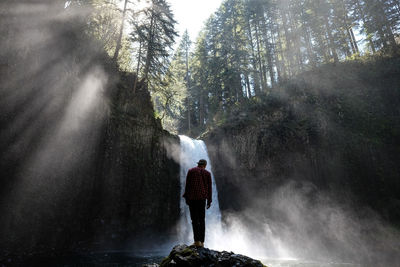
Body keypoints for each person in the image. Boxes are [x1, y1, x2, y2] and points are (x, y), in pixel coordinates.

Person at [182, 159, 212, 247]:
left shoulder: (191, 171)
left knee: (194, 220)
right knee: (202, 220)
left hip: (193, 199)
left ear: (198, 164)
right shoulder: (207, 173)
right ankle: (202, 242)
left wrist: (187, 198)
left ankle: (197, 241)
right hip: (202, 200)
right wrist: (209, 201)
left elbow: (187, 185)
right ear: (205, 165)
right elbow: (209, 189)